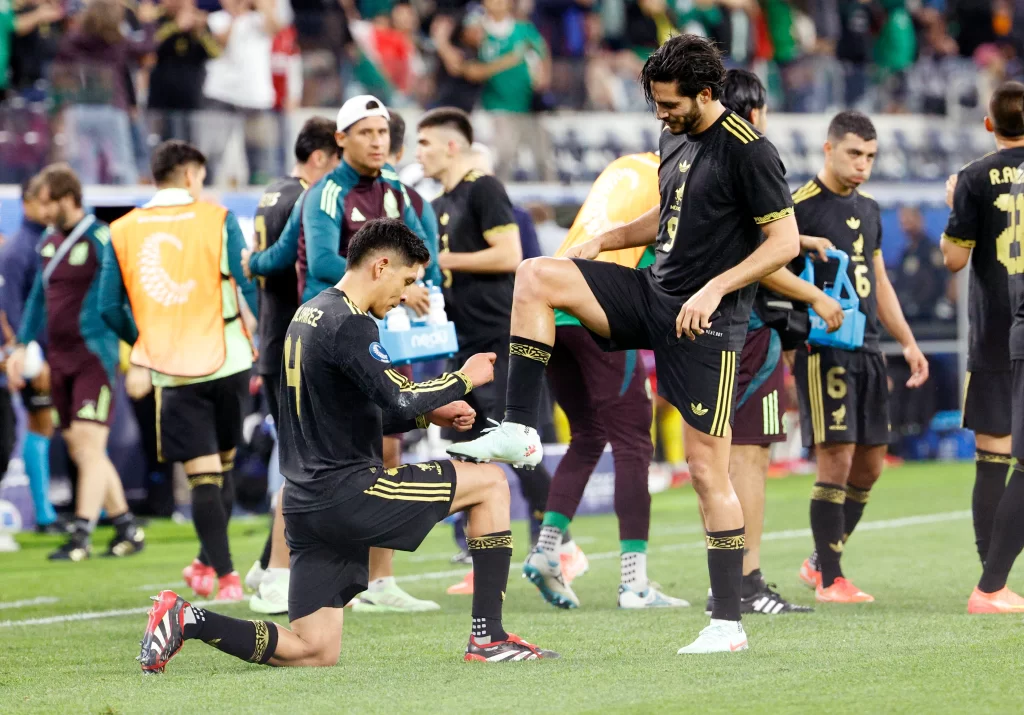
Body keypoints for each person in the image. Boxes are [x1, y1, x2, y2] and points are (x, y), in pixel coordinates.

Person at [449, 35, 802, 653]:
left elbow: (783, 244)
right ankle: (517, 429)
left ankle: (727, 623)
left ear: (707, 94)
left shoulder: (751, 152)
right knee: (537, 273)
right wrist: (604, 238)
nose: (660, 116)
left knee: (704, 472)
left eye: (670, 104)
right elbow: (668, 216)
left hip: (708, 325)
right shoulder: (673, 136)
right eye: (656, 105)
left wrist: (713, 290)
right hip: (654, 295)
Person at [138, 219, 557, 671]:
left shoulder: (309, 313)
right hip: (348, 495)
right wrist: (463, 379)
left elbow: (358, 402)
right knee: (492, 482)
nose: (404, 297)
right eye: (407, 280)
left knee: (314, 649)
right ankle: (489, 639)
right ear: (381, 266)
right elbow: (395, 394)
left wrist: (427, 412)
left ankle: (187, 619)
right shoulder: (352, 325)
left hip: (304, 504)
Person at [243, 100, 443, 614]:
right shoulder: (324, 192)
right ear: (341, 138)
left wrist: (424, 287)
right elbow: (325, 259)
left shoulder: (399, 191)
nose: (378, 141)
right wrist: (252, 263)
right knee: (309, 464)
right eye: (366, 132)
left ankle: (380, 582)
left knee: (385, 452)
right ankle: (277, 572)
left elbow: (429, 256)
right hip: (326, 340)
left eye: (383, 132)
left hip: (383, 337)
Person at [523, 149, 688, 610]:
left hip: (552, 310)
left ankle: (548, 548)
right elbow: (663, 257)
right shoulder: (680, 175)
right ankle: (634, 582)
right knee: (635, 442)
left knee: (588, 436)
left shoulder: (622, 168)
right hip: (599, 308)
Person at [99, 140, 258, 601]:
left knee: (203, 475)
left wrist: (144, 341)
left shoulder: (124, 229)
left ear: (155, 177)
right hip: (228, 357)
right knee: (222, 468)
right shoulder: (218, 219)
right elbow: (248, 286)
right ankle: (219, 569)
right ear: (192, 175)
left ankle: (215, 568)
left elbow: (108, 306)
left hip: (173, 368)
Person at [710, 68, 836, 615]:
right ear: (755, 111)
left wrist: (799, 237)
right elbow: (757, 260)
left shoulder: (703, 157)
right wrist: (815, 296)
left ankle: (729, 579)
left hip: (710, 326)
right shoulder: (752, 154)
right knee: (749, 456)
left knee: (713, 459)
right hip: (751, 328)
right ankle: (746, 580)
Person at [792, 111, 929, 603]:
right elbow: (770, 269)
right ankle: (831, 578)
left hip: (869, 348)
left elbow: (880, 281)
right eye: (854, 153)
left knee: (871, 465)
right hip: (823, 348)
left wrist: (908, 342)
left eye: (870, 156)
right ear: (828, 150)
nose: (863, 165)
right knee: (836, 458)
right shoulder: (800, 207)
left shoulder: (869, 210)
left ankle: (818, 562)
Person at [415, 108, 561, 553]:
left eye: (424, 143)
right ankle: (473, 545)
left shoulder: (484, 188)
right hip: (460, 340)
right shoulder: (437, 204)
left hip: (497, 338)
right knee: (463, 439)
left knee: (513, 442)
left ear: (451, 145)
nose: (418, 153)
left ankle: (555, 537)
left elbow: (508, 253)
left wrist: (442, 262)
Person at [7, 163, 145, 561]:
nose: (44, 212)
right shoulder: (48, 242)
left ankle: (81, 535)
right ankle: (126, 527)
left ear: (68, 197)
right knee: (81, 445)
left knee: (87, 445)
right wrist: (21, 345)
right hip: (60, 359)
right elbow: (37, 299)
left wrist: (137, 353)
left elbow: (127, 294)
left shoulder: (102, 238)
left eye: (48, 202)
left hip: (93, 358)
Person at [235, 116, 340, 615]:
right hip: (291, 341)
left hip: (273, 336)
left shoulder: (269, 192)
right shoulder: (308, 197)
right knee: (301, 463)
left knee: (299, 456)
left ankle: (263, 565)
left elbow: (253, 262)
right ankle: (277, 574)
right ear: (321, 157)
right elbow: (277, 263)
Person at [942, 81, 1024, 613]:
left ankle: (989, 575)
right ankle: (993, 584)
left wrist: (954, 203)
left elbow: (953, 260)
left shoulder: (973, 177)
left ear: (989, 124)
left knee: (993, 455)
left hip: (996, 328)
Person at [0, 174, 61, 533]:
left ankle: (89, 507)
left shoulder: (50, 242)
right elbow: (9, 310)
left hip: (59, 349)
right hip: (34, 352)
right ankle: (43, 513)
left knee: (71, 428)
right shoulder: (18, 249)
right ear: (26, 202)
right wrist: (26, 351)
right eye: (42, 201)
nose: (47, 208)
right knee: (40, 423)